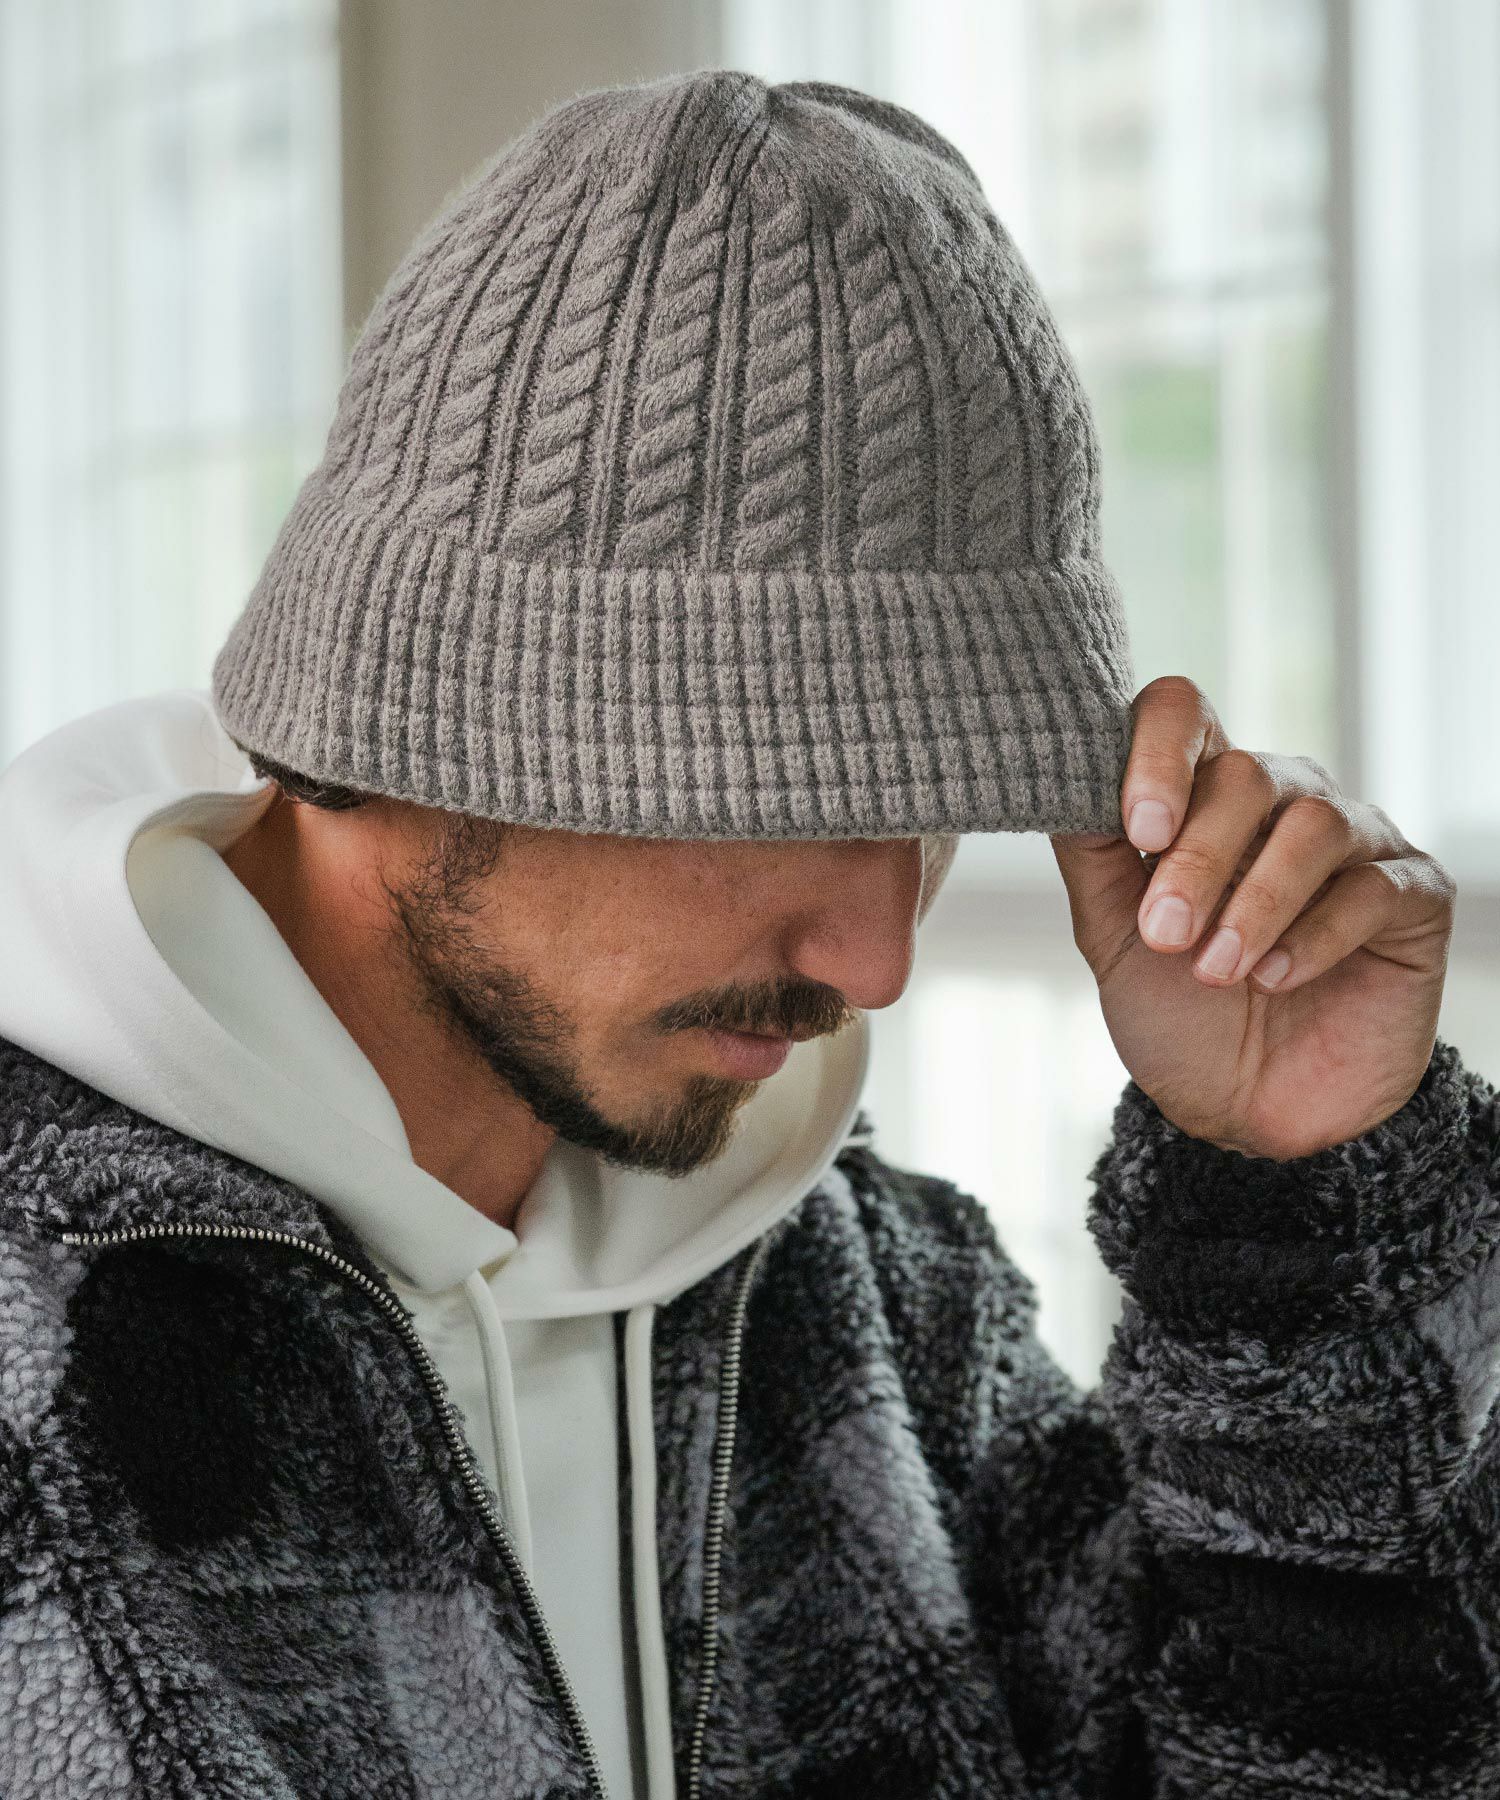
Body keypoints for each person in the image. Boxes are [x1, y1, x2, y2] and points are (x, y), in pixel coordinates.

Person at [0, 67, 1494, 1800]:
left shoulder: (876, 1304)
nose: (878, 960)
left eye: (937, 813)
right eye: (787, 791)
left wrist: (1295, 1192)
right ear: (414, 719)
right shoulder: (41, 1348)